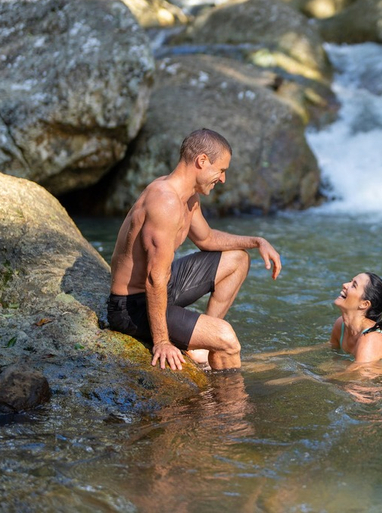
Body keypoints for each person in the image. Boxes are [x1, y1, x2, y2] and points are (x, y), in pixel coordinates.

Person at [106, 128, 281, 372]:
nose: (222, 179)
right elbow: (154, 277)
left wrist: (256, 241)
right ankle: (226, 406)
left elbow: (207, 239)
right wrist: (162, 342)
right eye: (221, 170)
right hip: (132, 306)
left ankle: (204, 341)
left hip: (163, 288)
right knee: (228, 339)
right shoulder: (165, 201)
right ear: (201, 161)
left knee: (239, 259)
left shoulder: (188, 196)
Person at [330, 272, 382, 363]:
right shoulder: (341, 324)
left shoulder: (371, 338)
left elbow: (358, 374)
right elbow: (331, 348)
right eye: (350, 281)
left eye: (354, 285)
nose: (344, 285)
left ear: (364, 304)